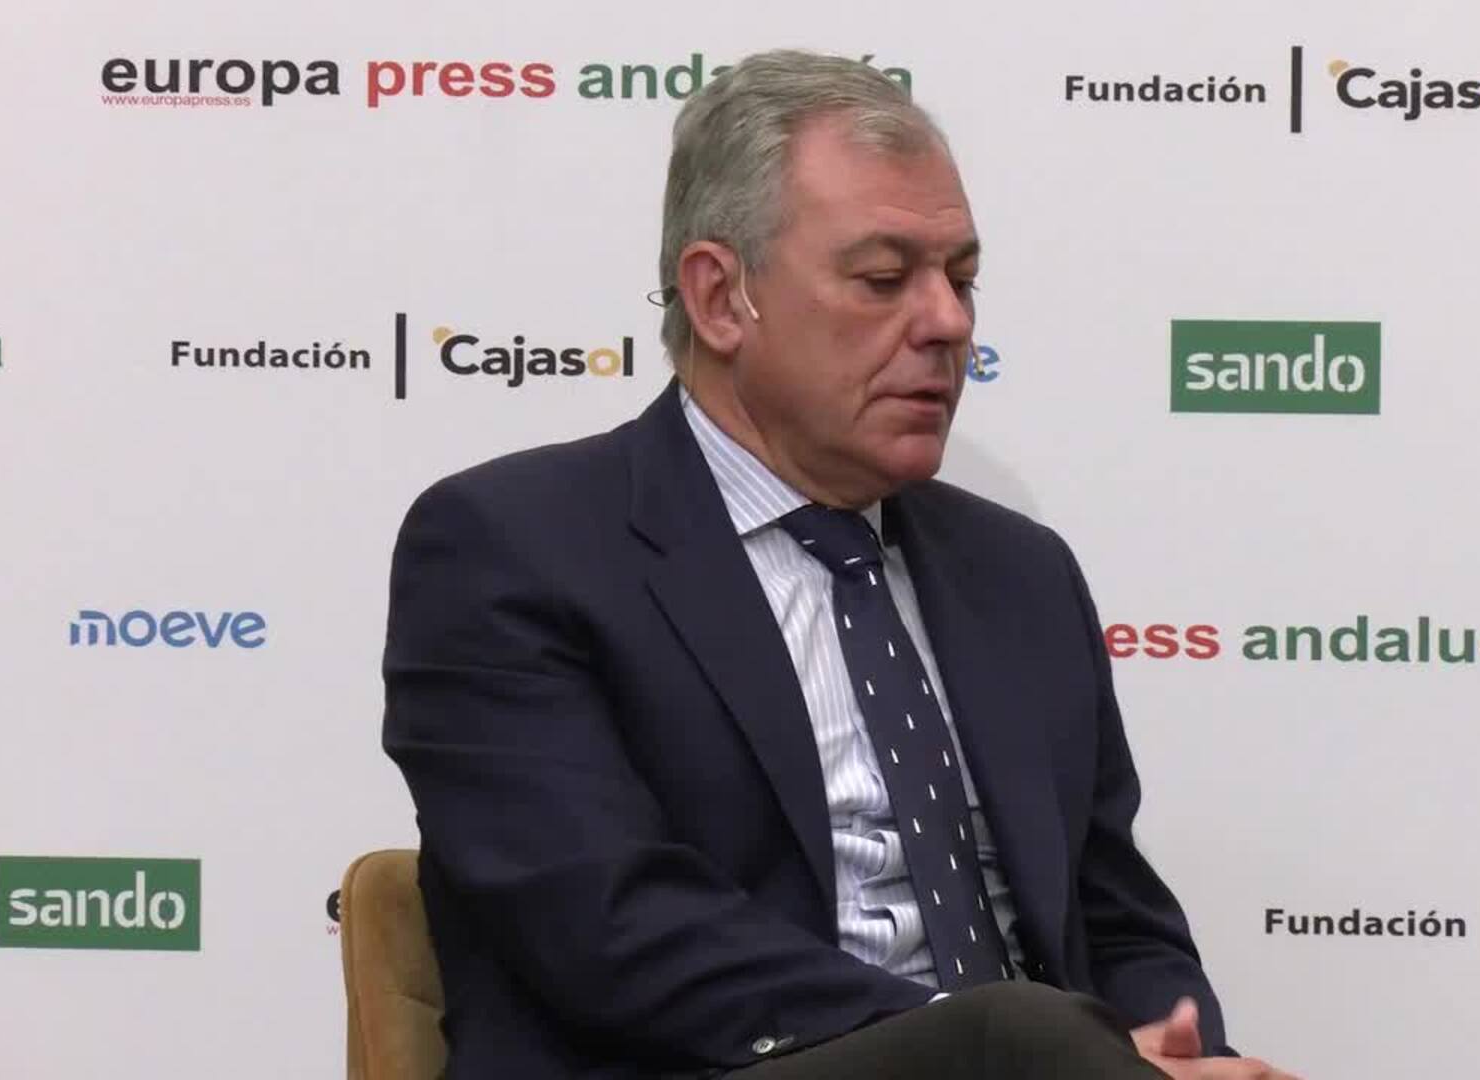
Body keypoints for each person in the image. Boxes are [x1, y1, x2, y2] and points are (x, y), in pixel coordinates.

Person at [383, 48, 1301, 1080]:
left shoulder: (1020, 573)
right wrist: (989, 1046)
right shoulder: (513, 548)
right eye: (884, 280)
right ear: (721, 297)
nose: (947, 323)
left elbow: (1118, 921)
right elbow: (609, 926)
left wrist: (1175, 1049)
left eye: (961, 280)